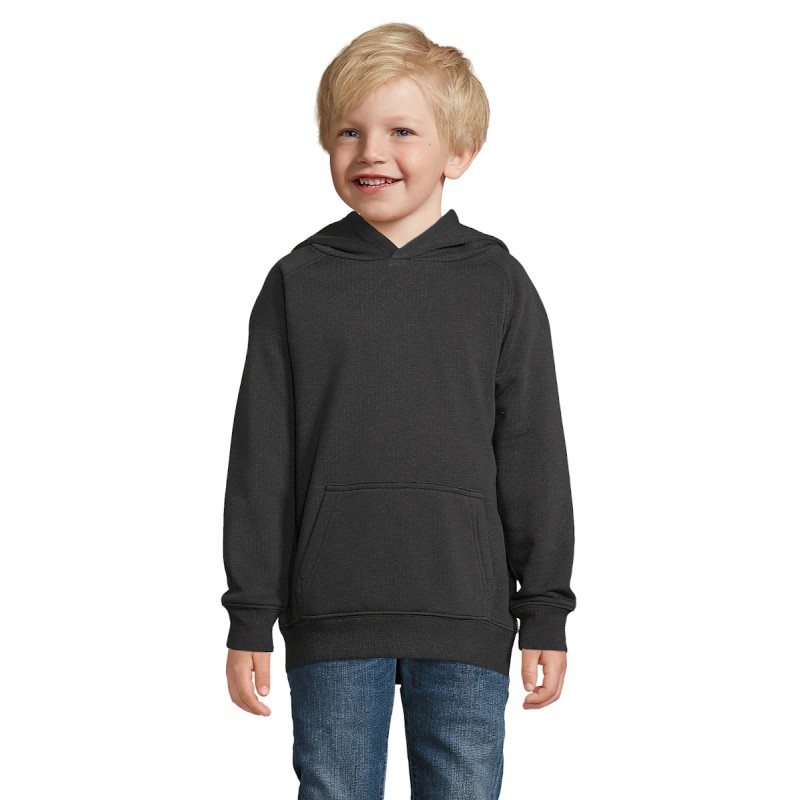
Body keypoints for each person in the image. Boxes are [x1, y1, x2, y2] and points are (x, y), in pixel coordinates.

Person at [220, 21, 577, 799]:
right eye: (349, 131)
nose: (370, 152)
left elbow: (533, 455)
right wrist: (250, 615)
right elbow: (261, 463)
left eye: (401, 131)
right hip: (331, 611)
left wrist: (545, 610)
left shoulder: (499, 284)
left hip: (466, 612)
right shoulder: (298, 283)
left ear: (460, 152)